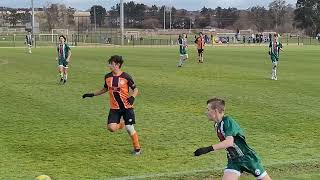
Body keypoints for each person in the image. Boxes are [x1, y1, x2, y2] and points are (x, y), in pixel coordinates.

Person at [194, 98, 272, 180]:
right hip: (234, 161)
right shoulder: (217, 125)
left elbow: (229, 142)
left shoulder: (228, 121)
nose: (206, 112)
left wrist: (207, 149)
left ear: (215, 111)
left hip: (247, 159)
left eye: (208, 109)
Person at [82, 55, 141, 155]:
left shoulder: (126, 76)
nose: (109, 65)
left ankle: (137, 148)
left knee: (129, 128)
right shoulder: (107, 77)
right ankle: (120, 124)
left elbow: (135, 89)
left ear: (117, 65)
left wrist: (132, 97)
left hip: (127, 107)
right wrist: (92, 94)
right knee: (111, 128)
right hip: (115, 108)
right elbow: (105, 89)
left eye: (111, 64)